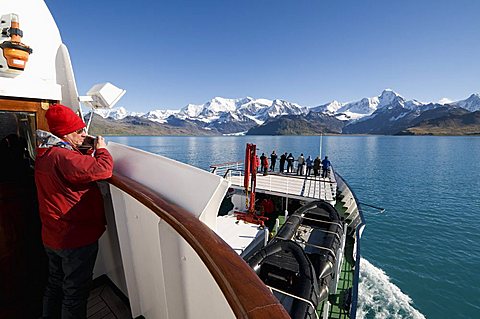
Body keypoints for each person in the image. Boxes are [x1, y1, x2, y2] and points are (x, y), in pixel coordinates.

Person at [35, 104, 114, 319]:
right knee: (74, 294)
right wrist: (102, 149)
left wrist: (83, 146)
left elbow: (74, 166)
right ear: (66, 133)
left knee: (54, 285)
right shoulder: (63, 156)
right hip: (74, 238)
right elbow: (103, 169)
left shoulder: (46, 152)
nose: (84, 134)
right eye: (79, 131)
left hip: (52, 235)